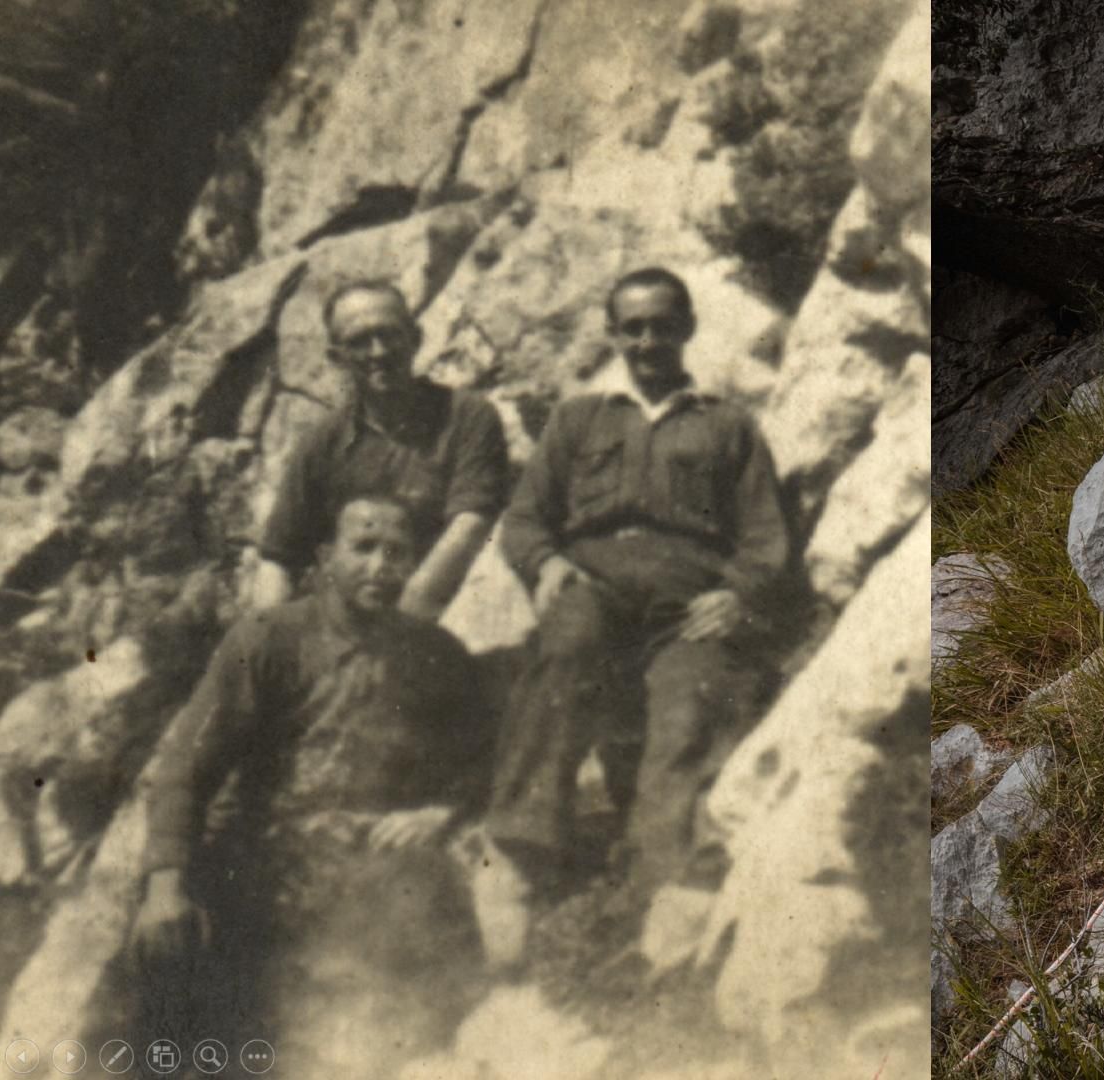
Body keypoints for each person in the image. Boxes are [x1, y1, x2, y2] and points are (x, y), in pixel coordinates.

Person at [131, 495, 493, 1070]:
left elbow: (484, 756)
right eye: (364, 548)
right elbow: (186, 766)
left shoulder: (436, 654)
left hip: (377, 870)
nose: (380, 567)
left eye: (397, 554)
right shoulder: (270, 638)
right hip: (265, 860)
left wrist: (441, 813)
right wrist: (164, 883)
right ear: (326, 556)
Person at [481, 266, 791, 920]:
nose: (649, 341)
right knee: (568, 647)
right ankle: (519, 853)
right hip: (593, 586)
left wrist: (737, 592)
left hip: (687, 607)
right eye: (633, 329)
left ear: (688, 329)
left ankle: (664, 887)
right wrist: (544, 565)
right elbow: (524, 518)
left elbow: (764, 536)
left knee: (694, 697)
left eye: (662, 326)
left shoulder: (728, 425)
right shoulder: (577, 420)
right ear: (613, 335)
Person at [253, 280, 509, 621]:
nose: (378, 352)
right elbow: (279, 558)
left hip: (446, 608)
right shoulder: (322, 442)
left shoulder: (467, 416)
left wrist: (403, 622)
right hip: (350, 616)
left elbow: (472, 523)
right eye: (359, 341)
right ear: (337, 357)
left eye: (390, 335)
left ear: (415, 339)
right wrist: (269, 639)